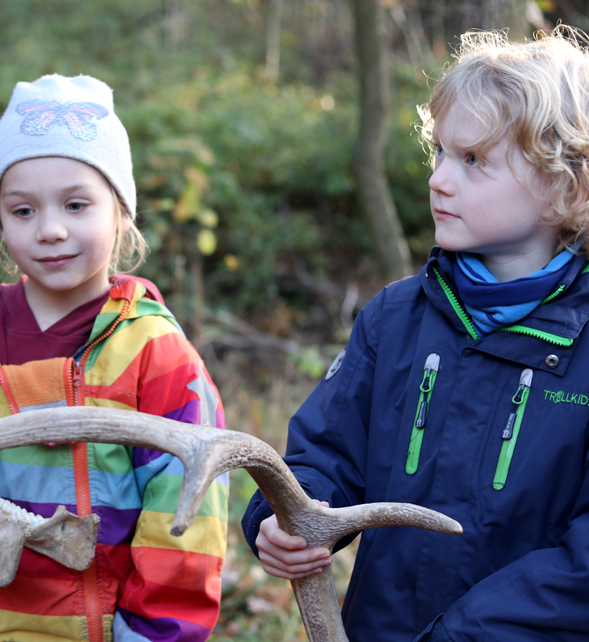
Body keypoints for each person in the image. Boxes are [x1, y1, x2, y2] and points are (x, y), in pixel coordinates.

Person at [242, 28, 589, 642]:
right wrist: (289, 520)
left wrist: (463, 631)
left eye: (474, 161)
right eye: (440, 153)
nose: (439, 179)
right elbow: (325, 456)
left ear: (563, 189)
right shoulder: (395, 319)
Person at [0, 74, 227, 642]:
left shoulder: (154, 356)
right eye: (22, 211)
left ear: (120, 212)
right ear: (1, 222)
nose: (51, 230)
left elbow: (187, 520)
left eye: (76, 204)